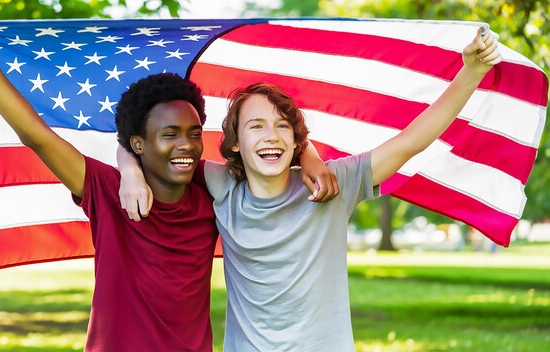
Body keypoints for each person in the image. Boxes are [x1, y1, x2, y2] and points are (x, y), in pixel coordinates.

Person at [0, 18, 338, 352]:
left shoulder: (211, 190)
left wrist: (309, 155)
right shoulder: (104, 189)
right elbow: (37, 136)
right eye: (169, 134)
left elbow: (267, 156)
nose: (186, 144)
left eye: (193, 132)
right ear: (139, 143)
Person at [118, 28, 502, 351]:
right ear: (234, 143)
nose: (271, 135)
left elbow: (411, 141)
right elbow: (152, 149)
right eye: (256, 127)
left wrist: (472, 71)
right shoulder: (221, 185)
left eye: (283, 126)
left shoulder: (335, 186)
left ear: (296, 139)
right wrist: (129, 169)